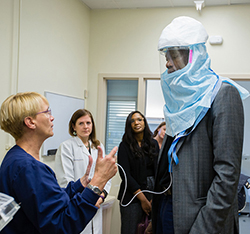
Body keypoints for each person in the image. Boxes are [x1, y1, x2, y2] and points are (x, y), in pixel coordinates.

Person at [147, 16, 249, 234]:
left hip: (201, 219)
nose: (167, 62)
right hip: (167, 209)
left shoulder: (222, 94)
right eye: (165, 55)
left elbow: (227, 177)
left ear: (193, 55)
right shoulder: (178, 102)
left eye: (173, 54)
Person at [0, 92, 117, 234]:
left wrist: (81, 184)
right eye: (47, 112)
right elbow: (62, 225)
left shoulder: (15, 158)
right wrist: (98, 181)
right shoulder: (29, 167)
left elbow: (50, 198)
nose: (52, 117)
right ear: (30, 122)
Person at [54, 109, 110, 234]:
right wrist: (88, 198)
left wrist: (100, 197)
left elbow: (105, 176)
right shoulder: (66, 147)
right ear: (73, 126)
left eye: (88, 123)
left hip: (96, 204)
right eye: (81, 123)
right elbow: (65, 182)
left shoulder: (98, 146)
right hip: (78, 205)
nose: (85, 127)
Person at [117, 111, 159, 234]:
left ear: (145, 123)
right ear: (129, 125)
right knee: (130, 230)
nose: (136, 123)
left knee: (149, 230)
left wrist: (154, 197)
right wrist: (142, 199)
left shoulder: (153, 144)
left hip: (152, 194)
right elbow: (125, 175)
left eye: (140, 119)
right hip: (132, 196)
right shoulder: (124, 146)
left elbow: (158, 171)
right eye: (132, 121)